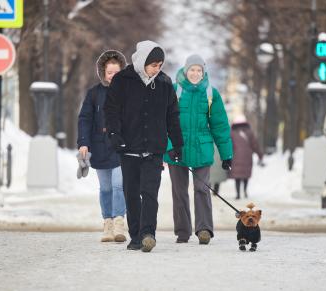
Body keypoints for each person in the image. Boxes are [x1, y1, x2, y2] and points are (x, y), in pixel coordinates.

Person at [104, 40, 183, 252]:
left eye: (160, 65)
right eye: (153, 65)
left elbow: (172, 116)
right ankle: (136, 235)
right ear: (142, 62)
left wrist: (177, 144)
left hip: (154, 149)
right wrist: (115, 135)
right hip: (128, 148)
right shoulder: (122, 80)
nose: (157, 69)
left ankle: (148, 234)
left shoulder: (165, 83)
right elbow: (111, 111)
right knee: (131, 193)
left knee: (149, 193)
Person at [164, 54, 233, 245]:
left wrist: (227, 154)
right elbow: (163, 122)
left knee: (202, 189)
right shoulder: (174, 91)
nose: (195, 73)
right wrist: (169, 147)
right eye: (192, 70)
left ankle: (204, 229)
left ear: (203, 72)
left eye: (199, 70)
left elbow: (220, 126)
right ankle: (183, 231)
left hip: (202, 149)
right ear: (186, 71)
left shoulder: (211, 94)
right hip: (176, 149)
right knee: (179, 192)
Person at [77, 50, 127, 243]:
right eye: (109, 73)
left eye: (117, 72)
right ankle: (107, 223)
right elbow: (85, 119)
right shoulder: (94, 94)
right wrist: (83, 143)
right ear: (103, 73)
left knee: (118, 185)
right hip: (99, 147)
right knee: (105, 188)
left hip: (121, 147)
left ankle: (119, 222)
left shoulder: (128, 93)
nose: (113, 76)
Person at [229, 114, 264, 199]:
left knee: (237, 176)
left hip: (236, 157)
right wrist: (260, 154)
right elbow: (255, 144)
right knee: (245, 175)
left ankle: (238, 194)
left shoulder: (232, 133)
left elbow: (229, 145)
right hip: (247, 157)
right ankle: (245, 191)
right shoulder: (249, 132)